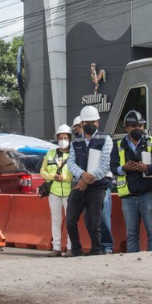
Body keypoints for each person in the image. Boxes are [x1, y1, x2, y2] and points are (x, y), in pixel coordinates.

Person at [112, 111, 152, 253]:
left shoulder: (151, 141)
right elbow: (112, 167)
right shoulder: (118, 145)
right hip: (129, 196)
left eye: (140, 125)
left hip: (148, 193)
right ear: (126, 128)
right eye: (133, 126)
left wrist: (146, 168)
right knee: (131, 235)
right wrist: (124, 168)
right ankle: (133, 265)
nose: (138, 128)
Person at [67, 105, 113, 256]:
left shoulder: (105, 139)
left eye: (92, 122)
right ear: (81, 124)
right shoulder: (75, 142)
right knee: (70, 221)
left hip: (97, 187)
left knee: (95, 222)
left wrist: (87, 180)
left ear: (98, 122)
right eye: (86, 122)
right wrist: (82, 175)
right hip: (79, 185)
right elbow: (71, 163)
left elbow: (105, 164)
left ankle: (96, 250)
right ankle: (77, 250)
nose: (89, 125)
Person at [39, 124, 73, 257]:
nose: (63, 140)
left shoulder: (73, 154)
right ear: (57, 139)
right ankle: (56, 247)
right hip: (54, 191)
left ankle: (70, 247)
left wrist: (65, 177)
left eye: (65, 137)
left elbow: (75, 172)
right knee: (56, 220)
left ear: (69, 139)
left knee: (70, 220)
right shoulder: (51, 153)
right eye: (60, 137)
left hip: (69, 191)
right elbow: (42, 170)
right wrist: (52, 176)